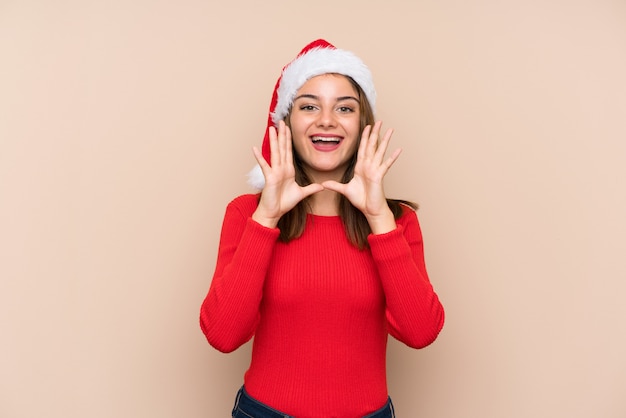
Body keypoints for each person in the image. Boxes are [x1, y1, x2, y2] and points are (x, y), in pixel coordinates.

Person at [200, 39, 445, 418]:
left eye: (344, 108)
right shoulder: (246, 213)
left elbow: (420, 332)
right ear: (285, 123)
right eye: (309, 106)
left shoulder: (396, 222)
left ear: (362, 126)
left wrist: (379, 218)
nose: (326, 120)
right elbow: (223, 335)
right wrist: (266, 220)